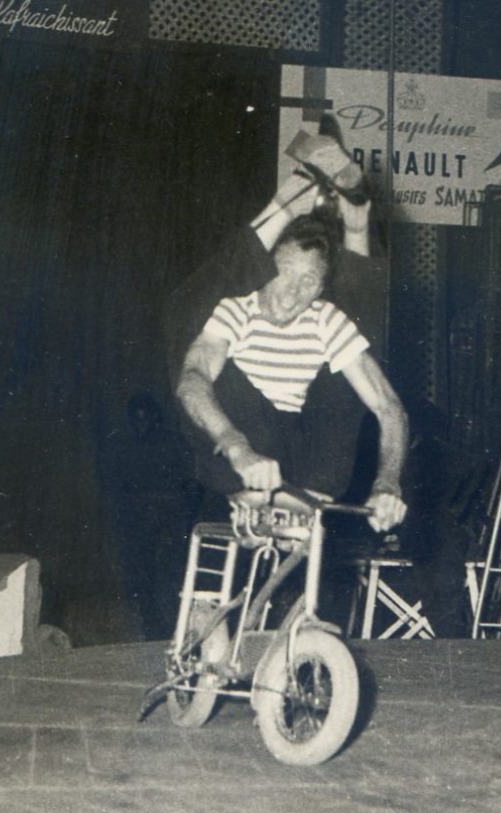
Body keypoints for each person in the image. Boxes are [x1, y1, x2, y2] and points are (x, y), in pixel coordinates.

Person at [175, 212, 408, 534]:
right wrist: (236, 447)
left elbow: (388, 406)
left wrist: (387, 485)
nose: (290, 293)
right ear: (266, 270)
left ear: (321, 287)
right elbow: (191, 381)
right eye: (284, 273)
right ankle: (252, 492)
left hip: (305, 461)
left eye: (308, 281)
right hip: (242, 448)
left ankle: (305, 499)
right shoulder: (236, 310)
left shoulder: (325, 317)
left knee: (348, 364)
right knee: (201, 370)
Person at [104, 392, 201, 640]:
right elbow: (120, 489)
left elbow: (192, 485)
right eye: (136, 420)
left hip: (172, 522)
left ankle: (179, 634)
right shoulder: (127, 448)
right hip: (141, 524)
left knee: (172, 580)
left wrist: (184, 523)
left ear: (156, 417)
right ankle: (153, 634)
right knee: (143, 582)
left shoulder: (174, 443)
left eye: (146, 419)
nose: (142, 425)